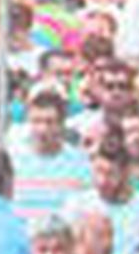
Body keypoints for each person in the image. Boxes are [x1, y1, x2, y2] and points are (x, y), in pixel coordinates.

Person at [8, 86, 91, 219]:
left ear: (62, 124)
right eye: (36, 121)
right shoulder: (12, 160)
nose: (42, 129)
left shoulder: (80, 162)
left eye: (50, 122)